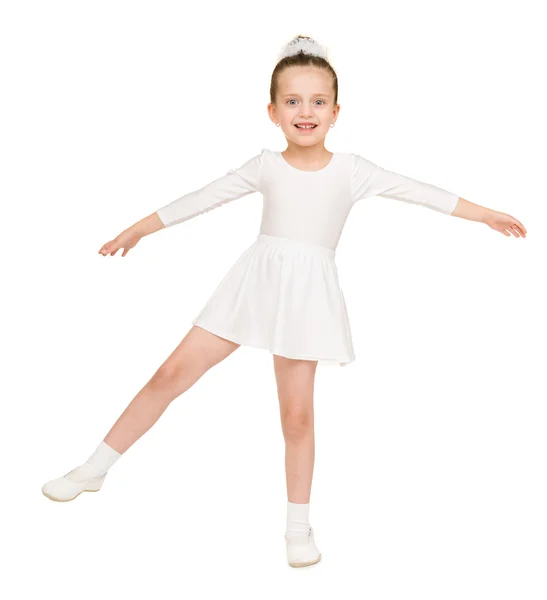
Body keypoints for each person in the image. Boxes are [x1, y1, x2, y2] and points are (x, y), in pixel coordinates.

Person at [41, 35, 527, 568]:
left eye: (318, 101)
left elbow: (420, 191)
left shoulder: (353, 170)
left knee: (296, 417)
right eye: (293, 101)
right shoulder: (266, 165)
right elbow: (202, 198)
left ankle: (299, 526)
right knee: (170, 374)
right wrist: (137, 230)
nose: (306, 111)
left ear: (336, 112)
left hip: (308, 299)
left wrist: (487, 214)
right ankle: (94, 468)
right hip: (252, 285)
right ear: (272, 112)